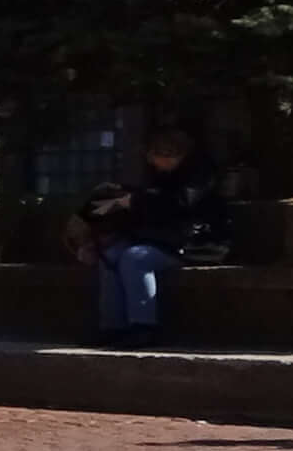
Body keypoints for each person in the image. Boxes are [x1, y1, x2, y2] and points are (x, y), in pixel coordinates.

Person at [82, 126, 234, 344]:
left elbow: (178, 204)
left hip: (195, 243)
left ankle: (143, 326)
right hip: (161, 238)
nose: (151, 161)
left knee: (135, 258)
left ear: (170, 154)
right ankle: (112, 327)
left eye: (154, 155)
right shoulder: (161, 175)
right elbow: (147, 211)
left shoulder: (200, 175)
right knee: (111, 255)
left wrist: (136, 200)